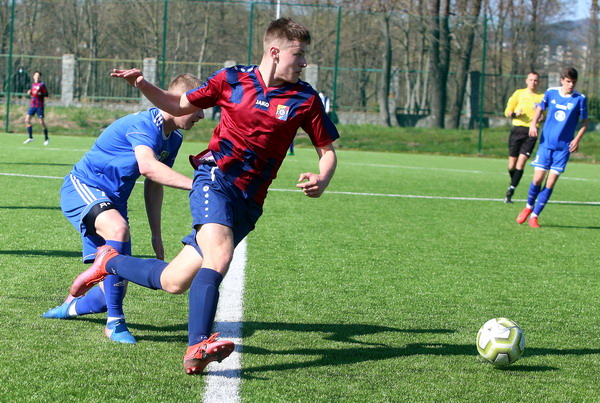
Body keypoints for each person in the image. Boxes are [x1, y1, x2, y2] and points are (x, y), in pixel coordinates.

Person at [69, 17, 339, 375]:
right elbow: (178, 102)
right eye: (299, 54)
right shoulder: (232, 79)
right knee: (220, 254)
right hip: (215, 178)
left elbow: (327, 150)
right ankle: (197, 344)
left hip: (250, 200)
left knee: (174, 281)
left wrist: (323, 177)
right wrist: (143, 83)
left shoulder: (305, 98)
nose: (304, 62)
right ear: (275, 52)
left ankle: (109, 262)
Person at [42, 74, 204, 344]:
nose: (202, 115)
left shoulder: (173, 137)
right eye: (198, 107)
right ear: (178, 101)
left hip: (114, 202)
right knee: (118, 228)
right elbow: (148, 167)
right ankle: (115, 324)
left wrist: (156, 234)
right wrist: (199, 185)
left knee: (110, 289)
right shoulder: (145, 124)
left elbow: (154, 182)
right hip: (84, 187)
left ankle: (68, 307)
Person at [516, 67, 588, 228]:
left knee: (550, 183)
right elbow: (540, 108)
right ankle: (528, 206)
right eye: (568, 81)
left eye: (574, 82)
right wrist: (533, 124)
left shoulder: (580, 99)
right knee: (537, 179)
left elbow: (585, 122)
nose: (571, 85)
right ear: (562, 80)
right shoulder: (551, 92)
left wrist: (577, 139)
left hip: (563, 149)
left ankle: (534, 216)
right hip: (546, 145)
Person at [503, 72, 544, 203]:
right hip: (517, 130)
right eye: (531, 80)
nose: (533, 82)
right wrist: (515, 114)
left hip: (532, 131)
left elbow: (545, 114)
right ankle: (514, 181)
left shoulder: (542, 97)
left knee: (521, 161)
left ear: (539, 82)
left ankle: (511, 190)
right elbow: (507, 111)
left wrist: (542, 117)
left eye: (535, 80)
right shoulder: (519, 93)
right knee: (511, 166)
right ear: (526, 81)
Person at [24, 71, 50, 145]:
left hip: (39, 106)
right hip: (33, 105)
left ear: (40, 77)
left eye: (38, 76)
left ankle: (46, 138)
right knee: (27, 120)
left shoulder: (42, 84)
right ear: (33, 76)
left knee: (41, 122)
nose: (37, 77)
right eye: (35, 75)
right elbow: (32, 94)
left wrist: (39, 93)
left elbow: (46, 94)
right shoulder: (32, 85)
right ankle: (30, 137)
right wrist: (29, 93)